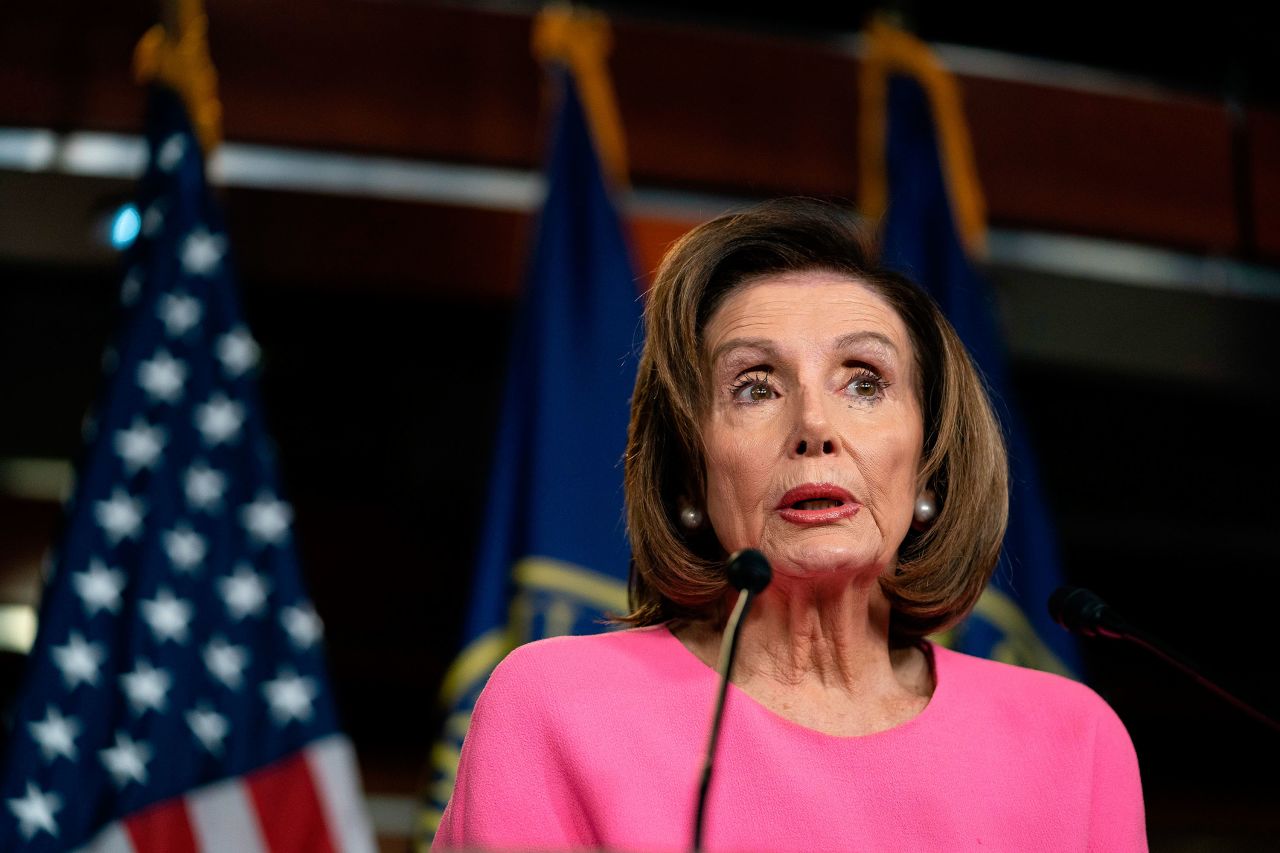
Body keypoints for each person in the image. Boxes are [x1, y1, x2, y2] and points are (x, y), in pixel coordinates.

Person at [434, 198, 1146, 852]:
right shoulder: (558, 708)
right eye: (755, 387)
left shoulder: (1073, 742)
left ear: (929, 462)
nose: (813, 426)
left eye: (864, 381)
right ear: (691, 471)